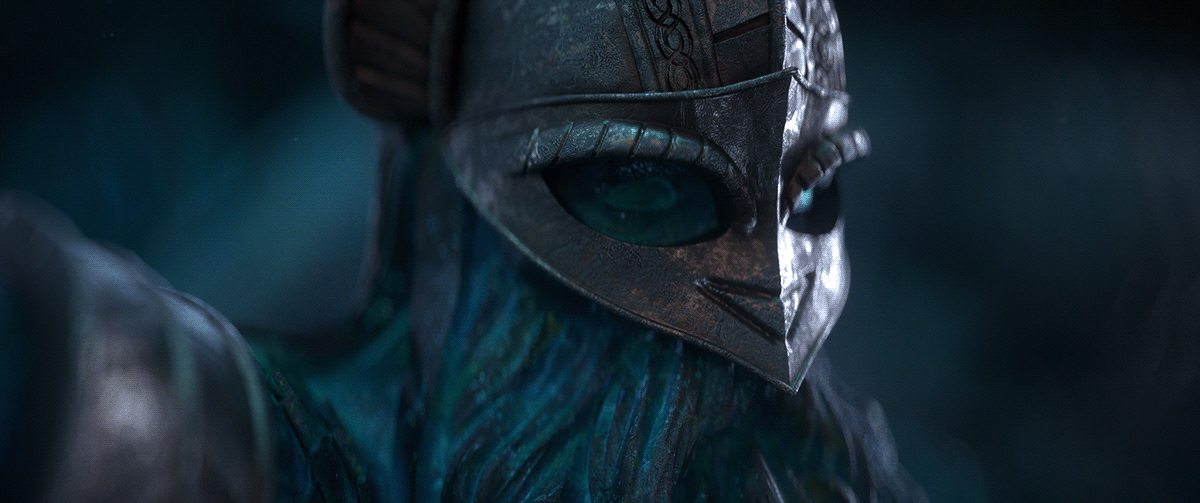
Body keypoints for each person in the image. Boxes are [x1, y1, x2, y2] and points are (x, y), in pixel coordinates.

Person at [1, 0, 927, 501]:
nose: (762, 315)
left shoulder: (794, 465)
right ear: (441, 206)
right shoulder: (183, 414)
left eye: (807, 192)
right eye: (642, 183)